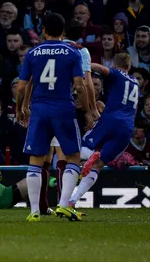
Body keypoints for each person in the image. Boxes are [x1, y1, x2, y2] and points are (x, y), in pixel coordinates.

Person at [16, 13, 92, 222]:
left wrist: (20, 107)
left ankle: (33, 212)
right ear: (63, 32)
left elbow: (22, 87)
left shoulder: (33, 53)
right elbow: (79, 85)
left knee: (36, 160)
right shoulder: (72, 53)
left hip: (39, 109)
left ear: (43, 30)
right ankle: (63, 204)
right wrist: (87, 110)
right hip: (63, 108)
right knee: (73, 156)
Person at [69, 53, 139, 208]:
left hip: (111, 119)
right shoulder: (136, 83)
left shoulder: (117, 73)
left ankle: (89, 156)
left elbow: (98, 68)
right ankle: (74, 199)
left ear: (115, 64)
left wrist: (82, 66)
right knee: (99, 164)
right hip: (127, 128)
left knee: (80, 150)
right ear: (129, 66)